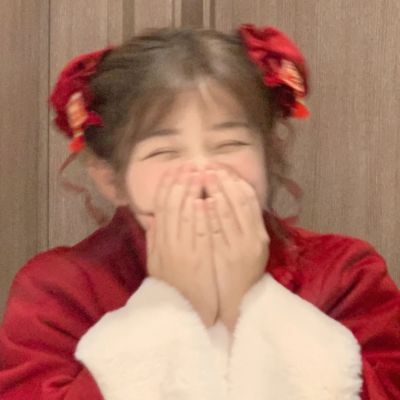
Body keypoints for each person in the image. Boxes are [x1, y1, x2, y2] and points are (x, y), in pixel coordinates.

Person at [0, 24, 398, 400]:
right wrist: (169, 305)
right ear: (111, 179)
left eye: (229, 145)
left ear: (267, 153)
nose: (202, 173)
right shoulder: (59, 290)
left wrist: (249, 298)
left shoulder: (346, 272)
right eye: (164, 152)